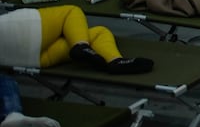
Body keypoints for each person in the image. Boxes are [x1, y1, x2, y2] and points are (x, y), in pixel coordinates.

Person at [0, 6, 153, 75]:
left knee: (100, 32)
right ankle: (81, 46)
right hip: (14, 31)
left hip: (26, 59)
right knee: (71, 11)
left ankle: (115, 62)